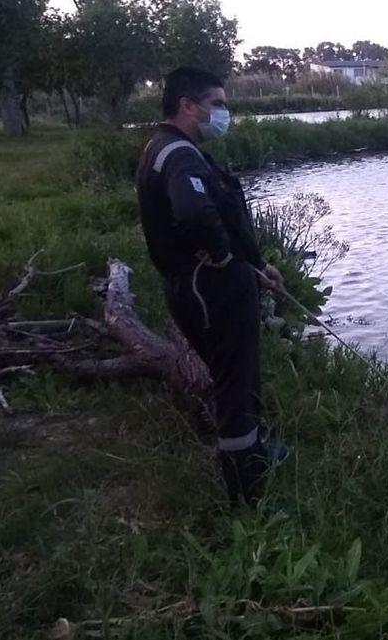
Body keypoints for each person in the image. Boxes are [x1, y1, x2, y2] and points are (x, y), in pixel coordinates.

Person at [136, 67, 285, 505]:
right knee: (234, 388)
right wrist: (223, 259)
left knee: (241, 375)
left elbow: (222, 214)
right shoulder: (177, 155)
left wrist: (257, 264)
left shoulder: (172, 148)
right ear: (187, 106)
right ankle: (248, 500)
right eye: (217, 104)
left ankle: (256, 453)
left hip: (215, 282)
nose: (224, 112)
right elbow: (196, 214)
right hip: (209, 288)